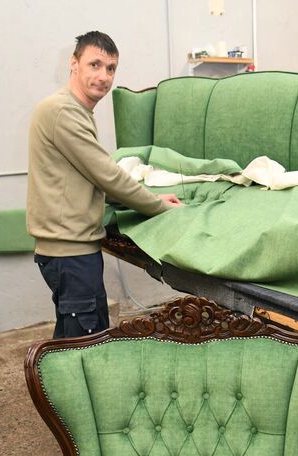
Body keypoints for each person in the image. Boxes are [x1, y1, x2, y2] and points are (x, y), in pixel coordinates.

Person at [27, 31, 182, 338]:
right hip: (69, 252)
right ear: (74, 64)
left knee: (86, 334)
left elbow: (97, 180)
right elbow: (108, 176)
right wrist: (158, 207)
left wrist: (152, 195)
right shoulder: (62, 111)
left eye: (111, 68)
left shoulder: (77, 110)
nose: (104, 76)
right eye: (94, 64)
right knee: (83, 344)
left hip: (74, 249)